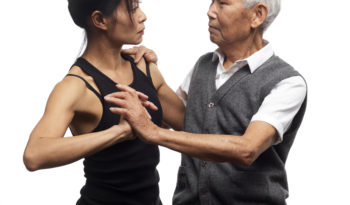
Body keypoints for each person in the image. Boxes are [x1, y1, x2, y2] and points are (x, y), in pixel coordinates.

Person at [105, 0, 307, 204]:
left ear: (257, 15)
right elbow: (181, 121)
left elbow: (247, 149)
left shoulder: (287, 82)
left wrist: (153, 133)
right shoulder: (203, 65)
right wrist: (148, 72)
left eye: (222, 3)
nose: (210, 12)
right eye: (211, 2)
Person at [23, 0, 184, 204]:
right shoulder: (77, 86)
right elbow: (34, 155)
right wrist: (119, 132)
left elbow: (191, 124)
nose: (143, 16)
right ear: (100, 20)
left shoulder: (145, 68)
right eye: (132, 9)